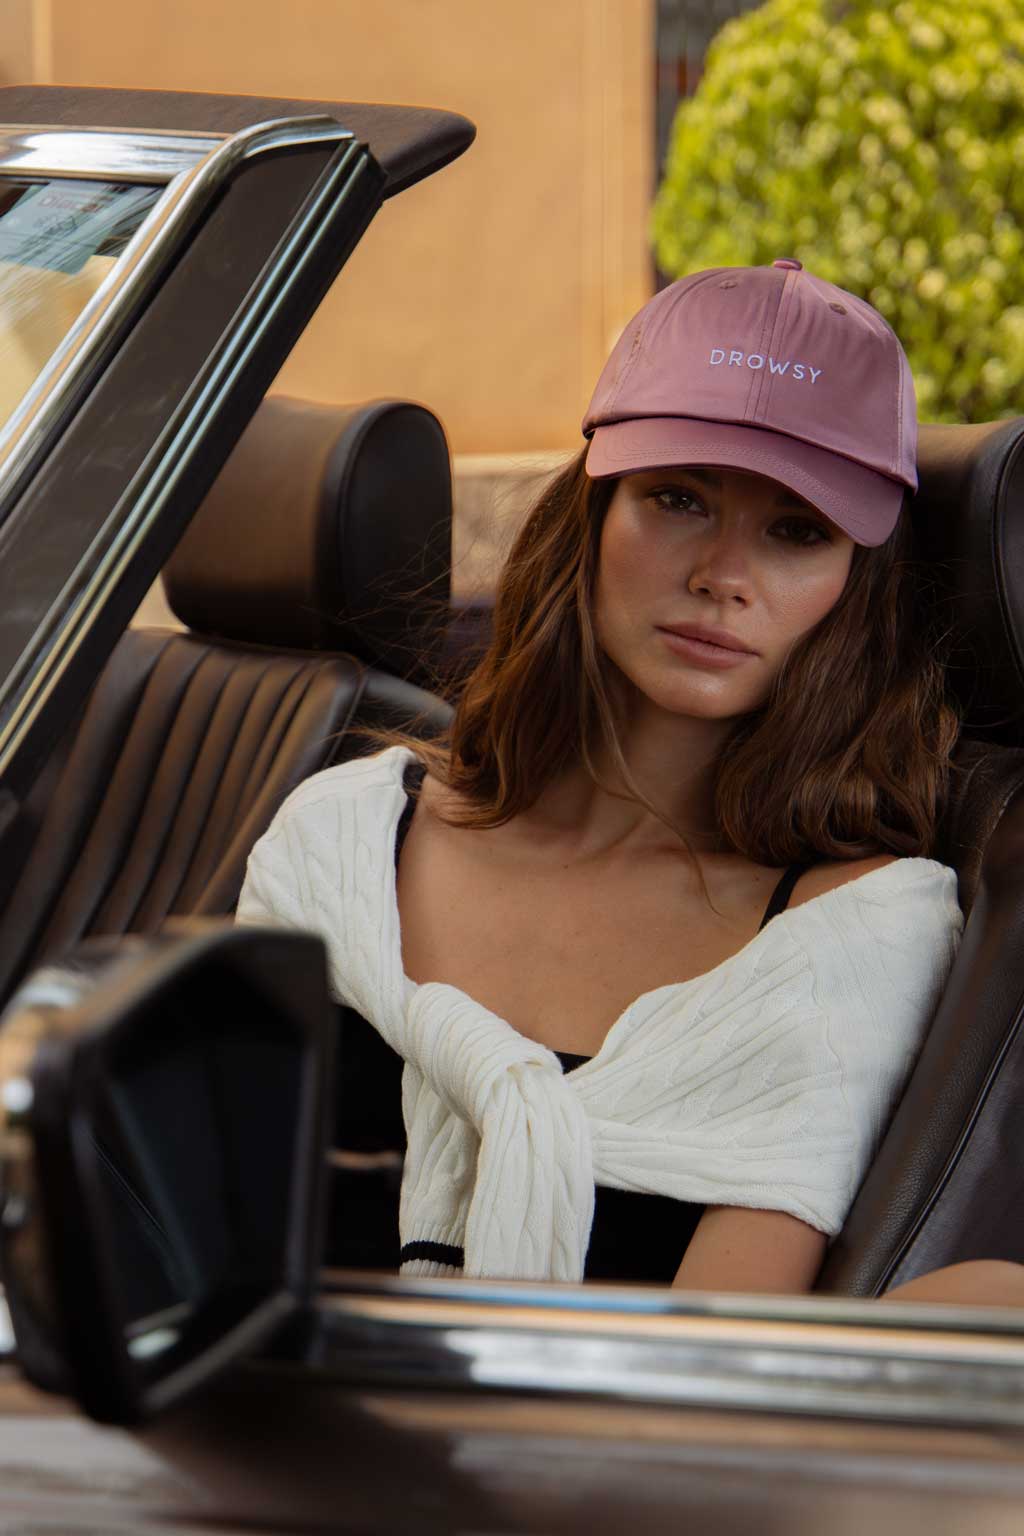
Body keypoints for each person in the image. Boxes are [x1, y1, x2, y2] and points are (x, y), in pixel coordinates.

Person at [237, 259, 1024, 1305]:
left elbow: (711, 1373)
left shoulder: (847, 934)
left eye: (796, 530)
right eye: (678, 499)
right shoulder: (338, 840)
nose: (721, 575)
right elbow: (196, 1212)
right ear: (592, 517)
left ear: (853, 589)